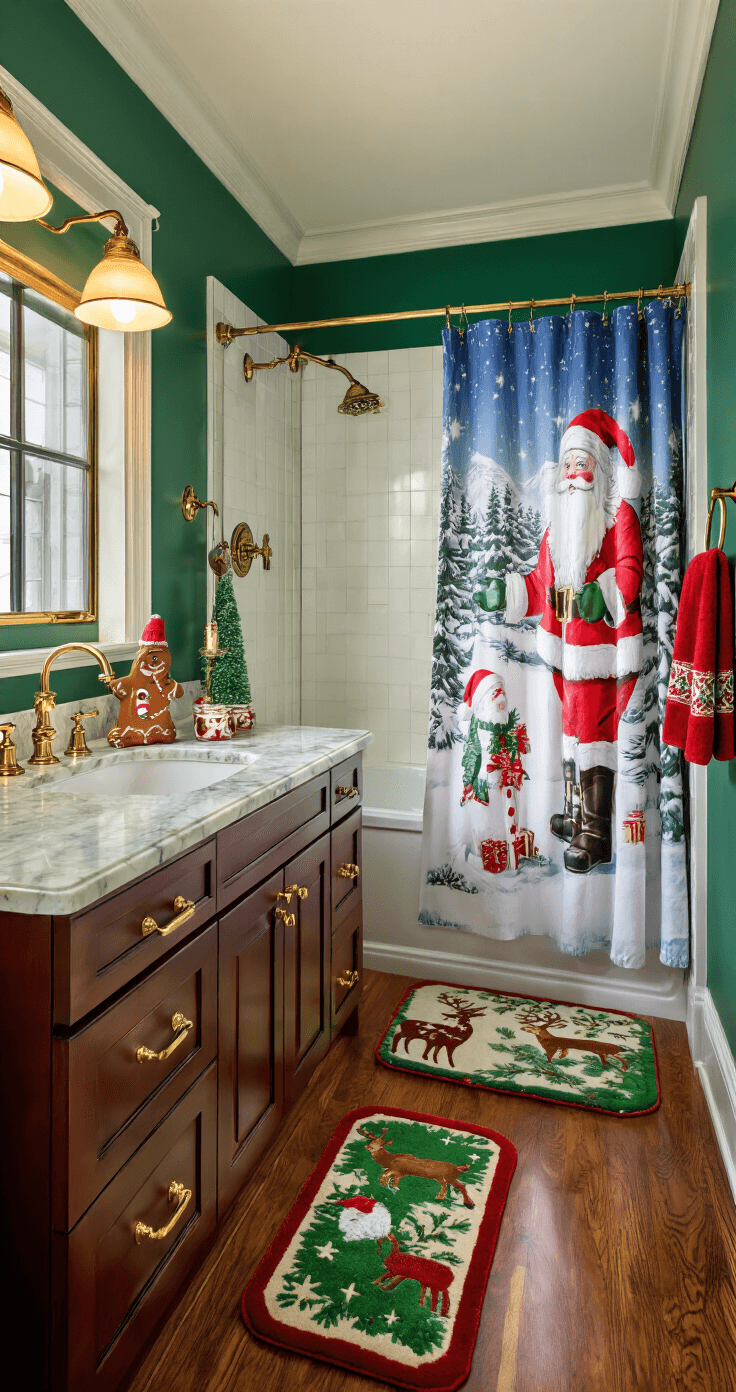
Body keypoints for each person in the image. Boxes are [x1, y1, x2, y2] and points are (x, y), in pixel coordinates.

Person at [474, 409, 643, 873]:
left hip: (603, 654)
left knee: (593, 734)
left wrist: (604, 592)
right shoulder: (558, 530)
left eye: (580, 463)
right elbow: (538, 586)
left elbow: (630, 573)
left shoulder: (617, 517)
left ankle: (598, 832)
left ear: (600, 470)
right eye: (566, 464)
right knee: (572, 732)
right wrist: (505, 591)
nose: (571, 473)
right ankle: (576, 815)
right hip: (563, 656)